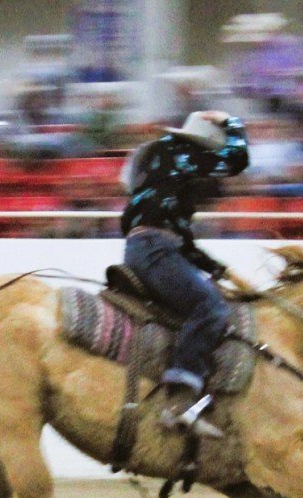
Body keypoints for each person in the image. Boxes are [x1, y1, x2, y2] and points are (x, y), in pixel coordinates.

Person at [120, 110, 254, 438]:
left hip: (148, 248)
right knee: (211, 308)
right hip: (155, 250)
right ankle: (179, 404)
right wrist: (231, 122)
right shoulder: (185, 154)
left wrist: (224, 272)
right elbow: (237, 160)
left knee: (203, 302)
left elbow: (183, 241)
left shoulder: (164, 168)